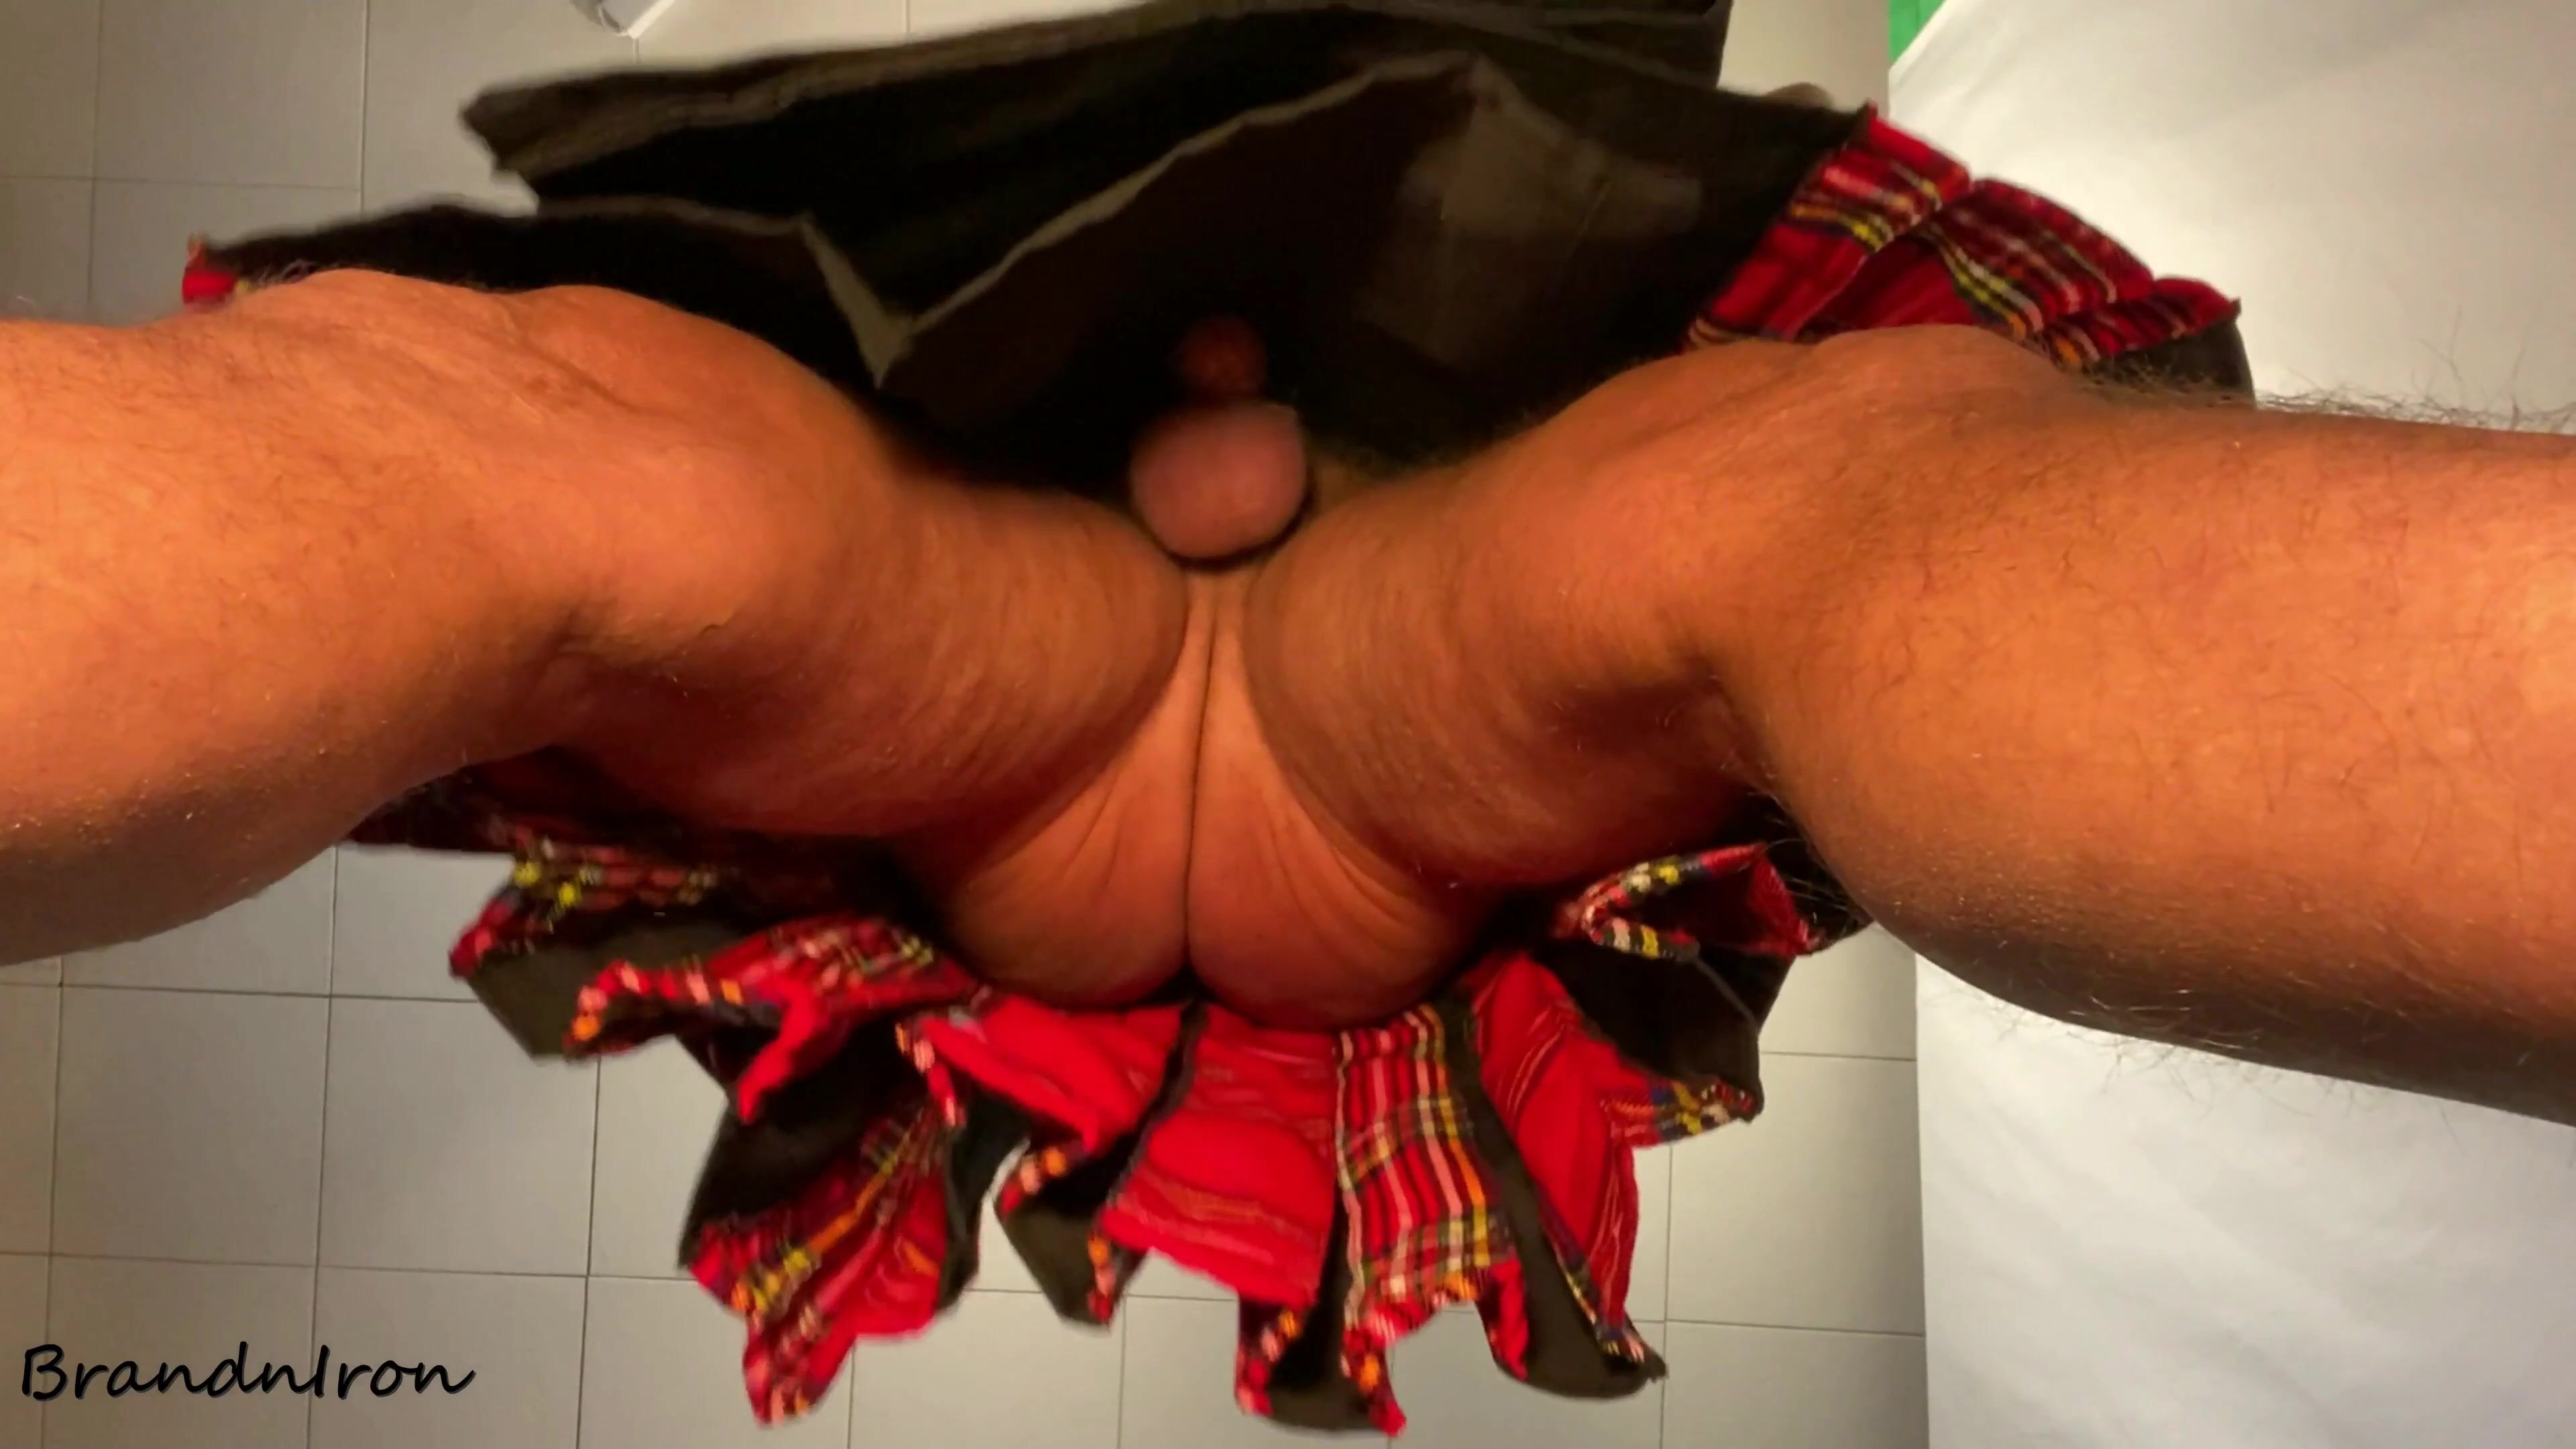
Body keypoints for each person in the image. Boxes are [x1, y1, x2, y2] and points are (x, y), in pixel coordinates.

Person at [3, 265, 2571, 1121]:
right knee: (1813, 510)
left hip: (1053, 768)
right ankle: (1253, 605)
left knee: (526, 464)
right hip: (1342, 793)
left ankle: (1183, 609)